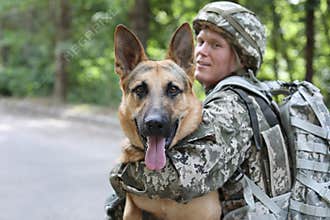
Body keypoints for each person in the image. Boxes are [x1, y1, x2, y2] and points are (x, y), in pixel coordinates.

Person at [105, 1, 291, 219]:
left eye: (215, 45)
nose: (201, 51)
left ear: (242, 56)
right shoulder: (235, 97)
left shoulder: (233, 106)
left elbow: (181, 180)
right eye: (201, 42)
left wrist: (120, 172)